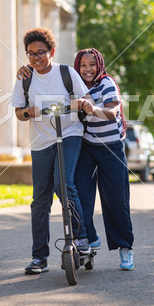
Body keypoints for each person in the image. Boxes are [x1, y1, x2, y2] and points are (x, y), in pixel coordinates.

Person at [12, 27, 91, 275]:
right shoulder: (24, 79)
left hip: (68, 133)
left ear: (51, 52)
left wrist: (81, 104)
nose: (36, 58)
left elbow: (86, 100)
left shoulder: (66, 73)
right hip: (41, 141)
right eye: (31, 54)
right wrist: (30, 112)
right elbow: (18, 113)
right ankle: (39, 258)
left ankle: (81, 239)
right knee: (40, 200)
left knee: (63, 184)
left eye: (41, 53)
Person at [72, 48, 134, 271]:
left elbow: (112, 112)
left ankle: (125, 248)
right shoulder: (76, 84)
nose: (87, 69)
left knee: (115, 198)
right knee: (80, 193)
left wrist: (92, 108)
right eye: (83, 65)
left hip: (111, 147)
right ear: (77, 67)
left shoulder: (107, 83)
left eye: (92, 65)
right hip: (87, 146)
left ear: (99, 66)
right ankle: (89, 237)